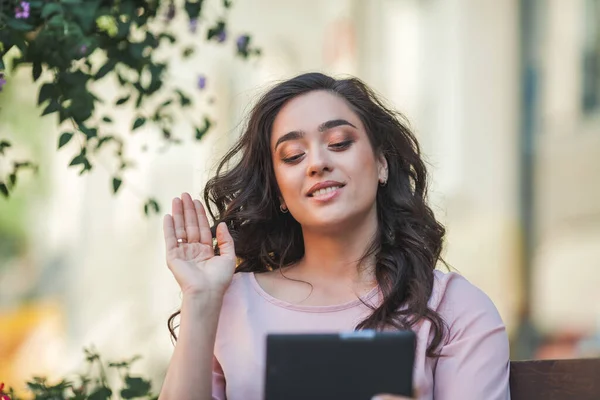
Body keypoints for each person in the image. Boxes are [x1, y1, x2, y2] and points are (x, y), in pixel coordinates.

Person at [158, 72, 511, 400]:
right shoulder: (231, 304)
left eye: (339, 143)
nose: (317, 163)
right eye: (293, 156)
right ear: (279, 193)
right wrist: (200, 299)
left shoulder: (454, 308)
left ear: (382, 163)